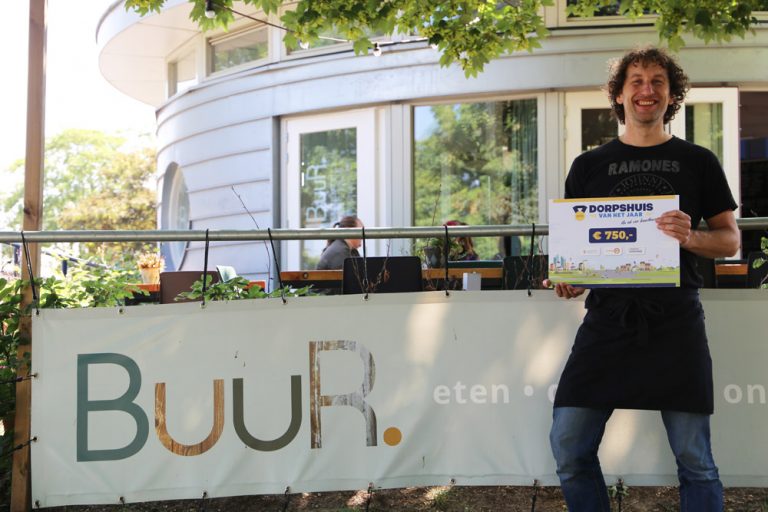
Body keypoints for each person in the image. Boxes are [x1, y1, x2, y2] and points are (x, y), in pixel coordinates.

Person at [545, 47, 740, 512]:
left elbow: (730, 240)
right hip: (607, 320)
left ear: (671, 96)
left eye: (657, 81)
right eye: (636, 81)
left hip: (676, 320)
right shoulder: (587, 166)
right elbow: (581, 251)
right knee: (568, 445)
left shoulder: (699, 161)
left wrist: (690, 236)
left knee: (695, 460)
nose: (646, 90)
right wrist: (573, 278)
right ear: (619, 94)